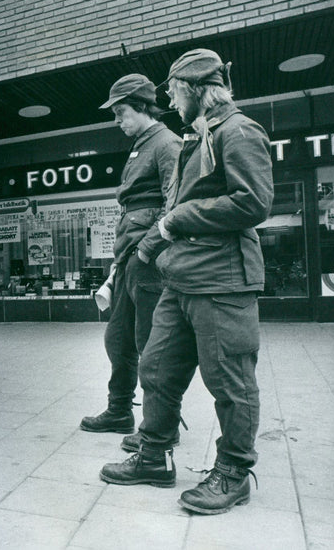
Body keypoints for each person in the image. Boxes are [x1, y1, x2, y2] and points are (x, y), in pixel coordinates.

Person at [99, 49, 274, 515]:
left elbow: (254, 202)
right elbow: (175, 210)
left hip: (221, 280)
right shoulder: (198, 137)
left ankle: (233, 474)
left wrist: (177, 222)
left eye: (175, 92)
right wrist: (155, 242)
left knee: (230, 381)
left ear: (196, 89)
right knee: (155, 368)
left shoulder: (238, 130)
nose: (172, 102)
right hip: (182, 278)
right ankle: (153, 457)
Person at [80, 74, 181, 450]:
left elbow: (175, 204)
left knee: (152, 346)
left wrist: (145, 249)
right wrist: (125, 258)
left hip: (148, 259)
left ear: (141, 107)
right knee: (118, 340)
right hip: (129, 259)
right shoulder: (143, 144)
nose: (117, 120)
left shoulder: (166, 143)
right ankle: (120, 410)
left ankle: (159, 427)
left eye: (121, 112)